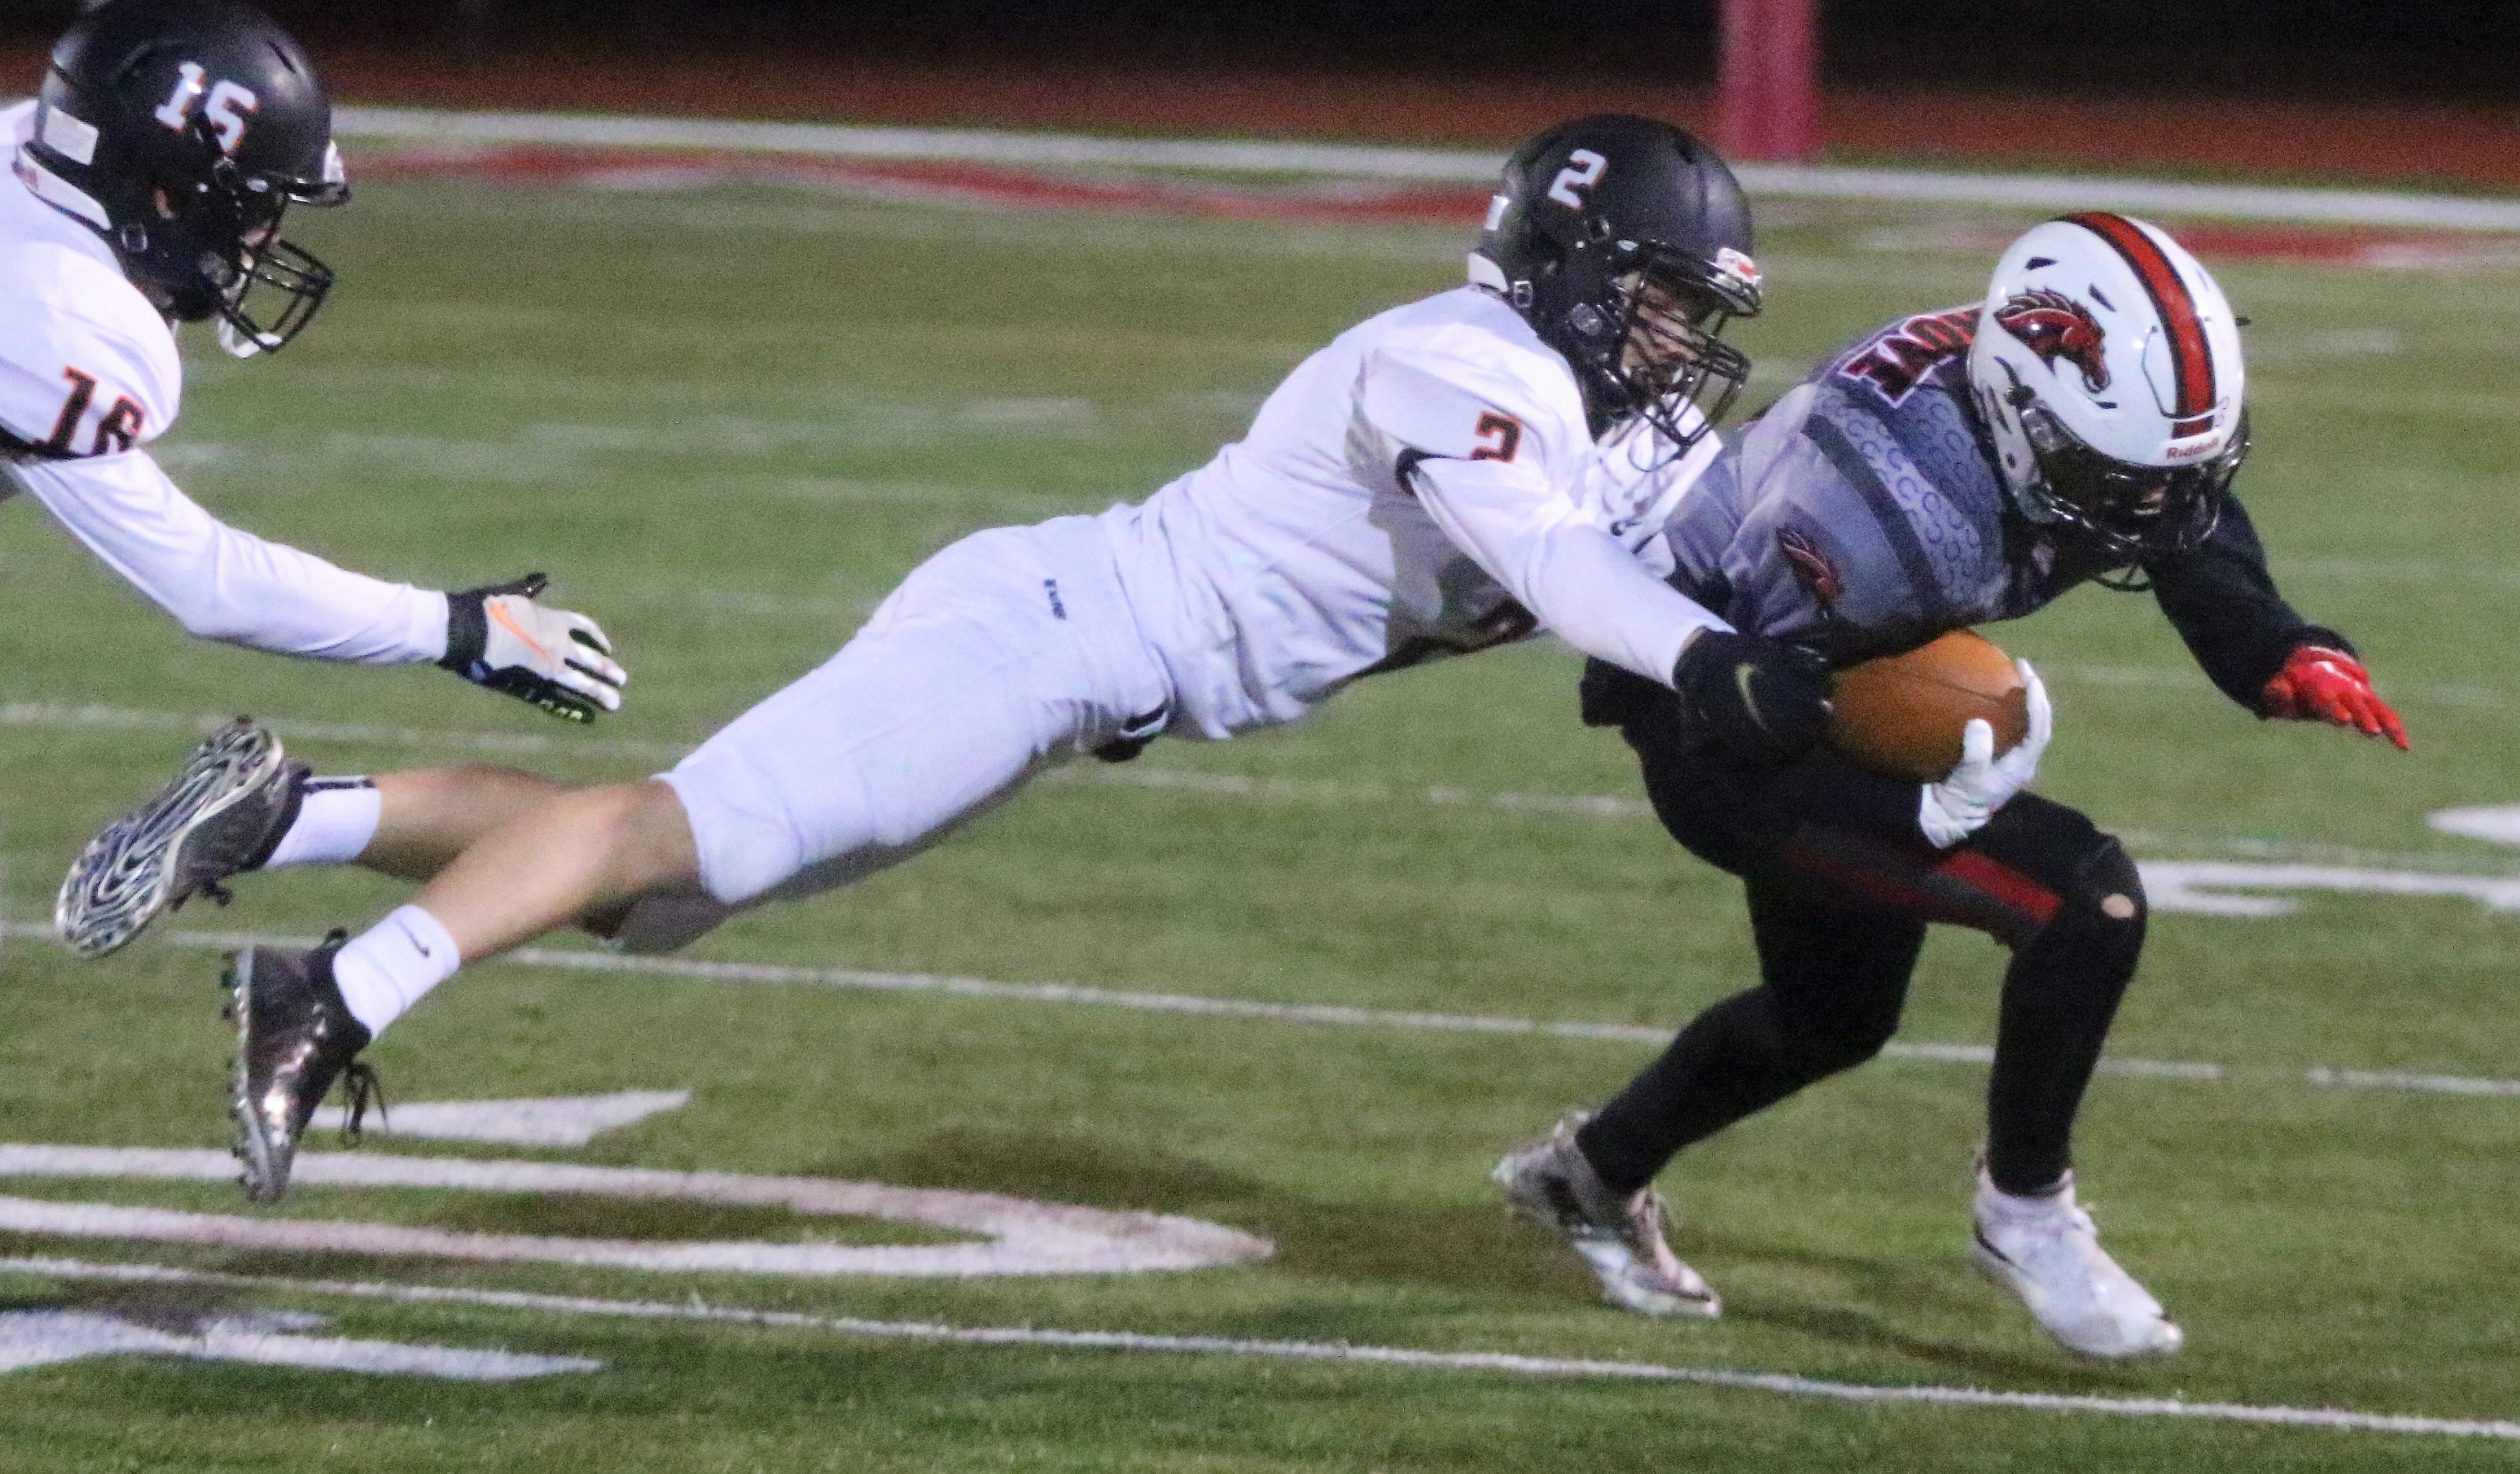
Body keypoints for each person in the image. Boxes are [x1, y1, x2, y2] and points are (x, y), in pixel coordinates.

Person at [64, 113, 1828, 1206]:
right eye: (1670, 304)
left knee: (652, 885)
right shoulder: (1457, 362)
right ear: (1587, 276)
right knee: (672, 842)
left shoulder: (1590, 430)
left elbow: (1667, 532)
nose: (1683, 349)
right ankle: (330, 995)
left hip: (1066, 659)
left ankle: (289, 809)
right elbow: (1559, 568)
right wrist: (1702, 660)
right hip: (1047, 642)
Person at [1492, 212, 2407, 1358]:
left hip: (1816, 671)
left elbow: (2176, 513)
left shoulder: (2058, 406)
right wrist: (1914, 816)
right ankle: (2024, 1214)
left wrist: (2272, 646)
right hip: (1719, 717)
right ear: (2025, 427)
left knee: (1830, 1019)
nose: (2153, 503)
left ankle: (1585, 1179)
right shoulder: (1874, 521)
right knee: (2085, 901)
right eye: (2120, 475)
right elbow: (1733, 739)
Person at [5, 0, 628, 949]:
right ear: (165, 189)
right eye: (252, 202)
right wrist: (454, 627)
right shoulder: (60, 311)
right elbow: (208, 585)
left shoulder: (37, 157)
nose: (259, 236)